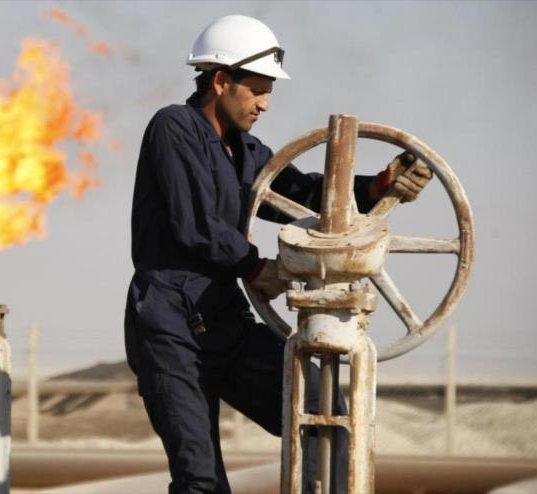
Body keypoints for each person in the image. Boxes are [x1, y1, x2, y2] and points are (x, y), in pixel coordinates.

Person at [124, 14, 432, 494]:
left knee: (324, 416)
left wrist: (378, 186)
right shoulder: (174, 128)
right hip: (170, 324)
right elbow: (196, 223)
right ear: (222, 81)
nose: (265, 103)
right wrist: (256, 267)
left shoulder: (246, 152)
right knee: (201, 481)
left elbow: (303, 196)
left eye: (269, 91)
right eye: (257, 91)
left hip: (223, 315)